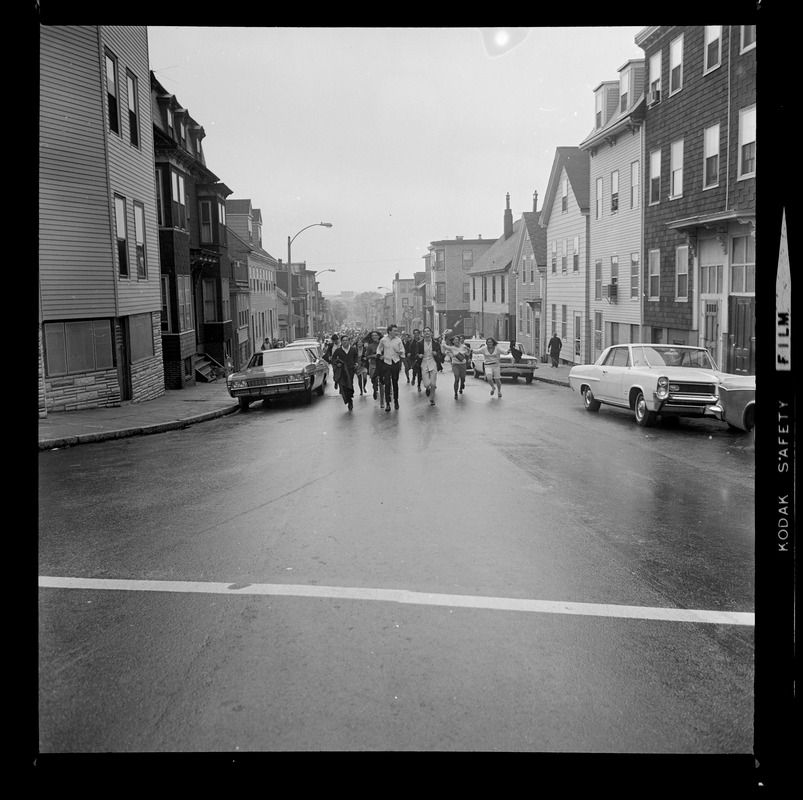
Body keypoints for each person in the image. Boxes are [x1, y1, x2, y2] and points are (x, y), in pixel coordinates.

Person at [376, 323, 405, 411]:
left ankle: (396, 400)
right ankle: (388, 403)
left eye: (397, 331)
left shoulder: (398, 340)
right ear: (389, 331)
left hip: (395, 362)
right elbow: (379, 348)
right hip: (386, 363)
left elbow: (403, 350)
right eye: (394, 331)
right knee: (387, 383)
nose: (396, 332)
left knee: (395, 383)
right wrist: (379, 354)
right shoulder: (383, 340)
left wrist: (400, 352)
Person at [440, 329, 471, 399]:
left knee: (463, 378)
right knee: (456, 378)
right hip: (455, 365)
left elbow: (468, 353)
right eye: (455, 340)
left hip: (463, 364)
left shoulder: (463, 347)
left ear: (459, 340)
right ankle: (456, 393)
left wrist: (468, 352)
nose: (456, 341)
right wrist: (444, 337)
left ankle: (462, 384)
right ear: (453, 342)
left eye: (458, 339)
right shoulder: (451, 348)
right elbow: (444, 345)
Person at [331, 334, 358, 411]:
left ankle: (350, 399)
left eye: (346, 340)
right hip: (342, 370)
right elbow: (333, 359)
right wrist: (337, 363)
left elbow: (356, 357)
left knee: (350, 383)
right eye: (343, 340)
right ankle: (348, 400)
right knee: (344, 385)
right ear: (341, 342)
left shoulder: (353, 349)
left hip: (350, 369)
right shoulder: (338, 350)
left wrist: (356, 363)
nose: (345, 342)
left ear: (349, 341)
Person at [418, 326, 444, 405]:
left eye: (428, 331)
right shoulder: (419, 343)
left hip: (433, 363)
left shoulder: (436, 343)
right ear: (423, 334)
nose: (427, 333)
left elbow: (440, 353)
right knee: (426, 384)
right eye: (425, 331)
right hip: (424, 363)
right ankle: (427, 388)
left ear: (431, 333)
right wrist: (419, 355)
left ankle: (432, 398)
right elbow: (416, 353)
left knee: (433, 383)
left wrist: (436, 354)